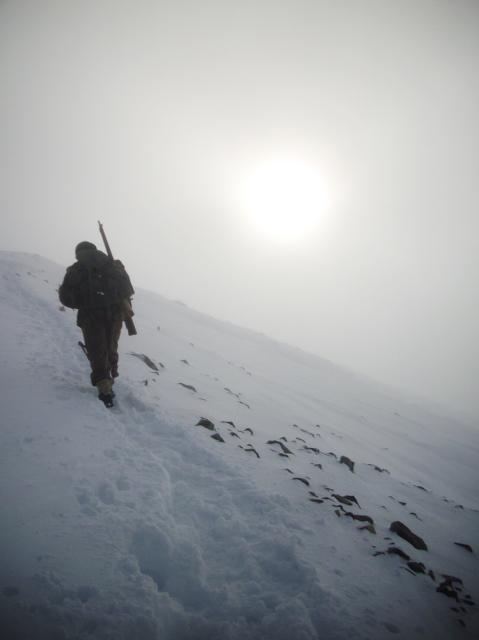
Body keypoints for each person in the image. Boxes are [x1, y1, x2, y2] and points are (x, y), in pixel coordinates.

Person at [59, 241, 135, 406]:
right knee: (111, 346)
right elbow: (128, 289)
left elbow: (65, 297)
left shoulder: (76, 269)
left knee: (96, 351)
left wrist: (84, 301)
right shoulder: (112, 263)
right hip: (115, 313)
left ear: (78, 253)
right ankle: (112, 376)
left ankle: (105, 389)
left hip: (90, 315)